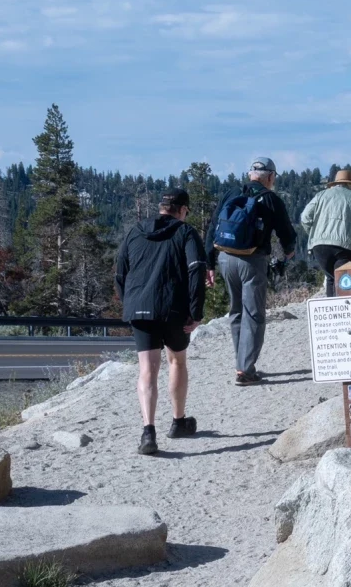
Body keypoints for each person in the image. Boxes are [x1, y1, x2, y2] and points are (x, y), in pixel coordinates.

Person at [115, 188, 208, 455]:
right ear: (182, 210)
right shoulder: (186, 232)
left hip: (139, 308)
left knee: (147, 369)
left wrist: (130, 302)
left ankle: (148, 432)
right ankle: (178, 422)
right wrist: (196, 311)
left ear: (161, 207)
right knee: (177, 360)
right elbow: (196, 271)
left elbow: (121, 272)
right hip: (174, 309)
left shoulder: (135, 231)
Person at [212, 157, 298, 386]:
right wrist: (289, 252)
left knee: (236, 311)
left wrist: (208, 263)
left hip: (225, 258)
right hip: (252, 260)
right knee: (254, 314)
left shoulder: (231, 194)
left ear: (250, 174)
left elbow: (213, 227)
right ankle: (245, 370)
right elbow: (286, 234)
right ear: (270, 176)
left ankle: (241, 363)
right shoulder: (270, 199)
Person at [299, 167, 351, 298]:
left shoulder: (320, 196)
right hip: (347, 247)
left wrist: (315, 235)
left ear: (335, 183)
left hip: (320, 246)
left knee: (331, 278)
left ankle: (333, 312)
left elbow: (305, 218)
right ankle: (345, 312)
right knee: (345, 280)